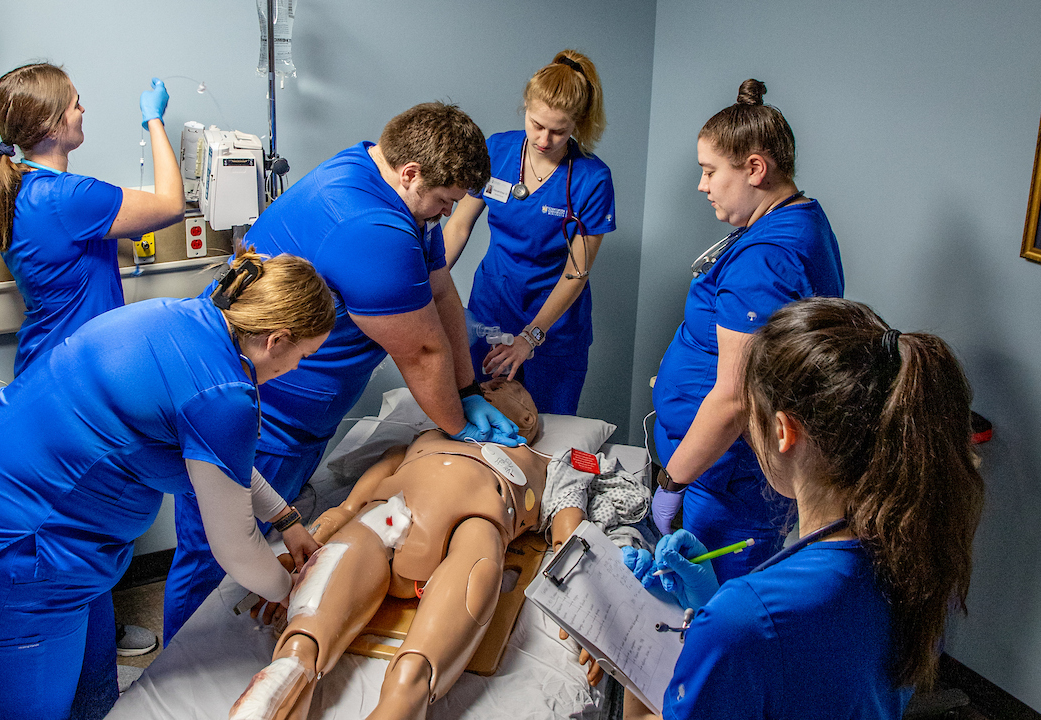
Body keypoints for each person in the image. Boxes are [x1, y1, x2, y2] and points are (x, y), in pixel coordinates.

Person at [0, 251, 333, 720]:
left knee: (94, 699)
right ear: (276, 340)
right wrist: (291, 590)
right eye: (303, 357)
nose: (295, 370)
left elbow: (221, 460)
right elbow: (237, 550)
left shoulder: (173, 318)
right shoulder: (224, 395)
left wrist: (285, 518)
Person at [163, 102, 526, 644]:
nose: (448, 216)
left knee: (265, 539)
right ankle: (181, 671)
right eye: (446, 203)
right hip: (265, 416)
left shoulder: (393, 191)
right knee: (213, 558)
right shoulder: (370, 226)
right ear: (411, 174)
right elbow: (423, 355)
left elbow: (441, 288)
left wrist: (469, 389)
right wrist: (457, 426)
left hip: (297, 418)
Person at [622, 297, 984, 719]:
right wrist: (712, 608)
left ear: (782, 431)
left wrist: (644, 626)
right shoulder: (912, 552)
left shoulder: (743, 618)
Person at [230, 379, 648, 720]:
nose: (488, 386)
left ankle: (406, 693)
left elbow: (570, 539)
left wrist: (593, 612)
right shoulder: (421, 436)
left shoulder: (551, 457)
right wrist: (308, 551)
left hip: (476, 523)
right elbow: (348, 507)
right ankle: (293, 663)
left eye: (509, 388)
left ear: (528, 417)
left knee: (480, 547)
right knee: (357, 533)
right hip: (388, 514)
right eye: (484, 385)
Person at [648, 79, 844, 580]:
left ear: (756, 168)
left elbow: (735, 397)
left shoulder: (766, 259)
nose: (702, 185)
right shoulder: (798, 219)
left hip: (723, 483)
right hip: (722, 474)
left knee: (703, 609)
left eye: (710, 171)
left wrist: (671, 484)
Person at [444, 49, 615, 415]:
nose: (544, 138)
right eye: (536, 123)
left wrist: (531, 335)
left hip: (553, 324)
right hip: (491, 305)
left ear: (578, 123)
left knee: (546, 427)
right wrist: (428, 281)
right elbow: (458, 226)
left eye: (559, 130)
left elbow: (577, 272)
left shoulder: (592, 179)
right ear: (525, 105)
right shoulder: (498, 151)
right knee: (479, 413)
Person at [0, 63, 184, 378]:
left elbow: (63, 250)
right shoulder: (69, 196)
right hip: (78, 371)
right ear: (51, 126)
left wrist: (117, 230)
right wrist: (154, 120)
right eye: (75, 103)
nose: (83, 109)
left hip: (43, 363)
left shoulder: (20, 188)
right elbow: (172, 205)